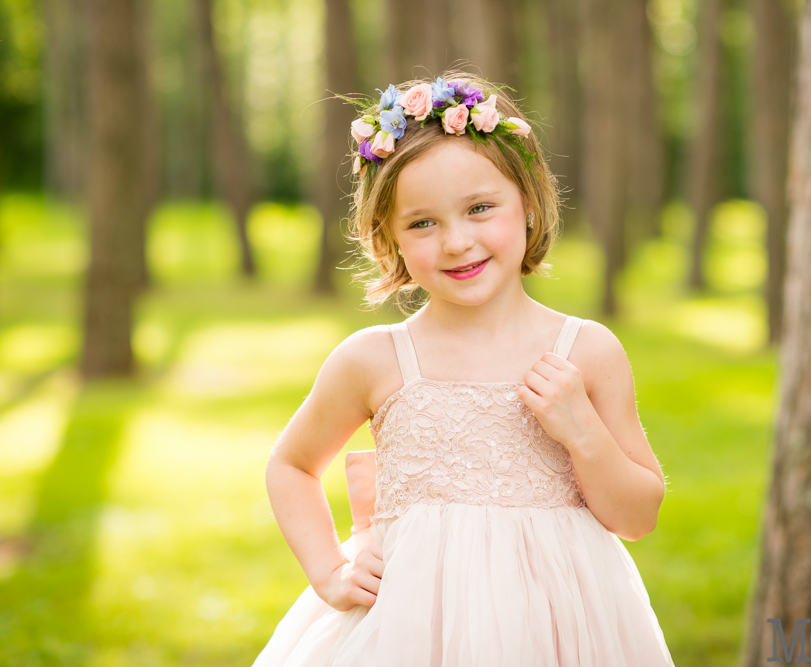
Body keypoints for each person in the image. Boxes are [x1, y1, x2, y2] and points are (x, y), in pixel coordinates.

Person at [252, 72, 676, 667]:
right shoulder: (374, 359)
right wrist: (330, 568)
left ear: (527, 205)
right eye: (422, 223)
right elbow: (292, 464)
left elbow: (637, 517)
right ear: (389, 237)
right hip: (409, 628)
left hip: (560, 625)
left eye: (480, 209)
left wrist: (583, 431)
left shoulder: (587, 351)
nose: (456, 242)